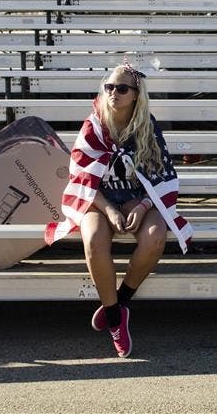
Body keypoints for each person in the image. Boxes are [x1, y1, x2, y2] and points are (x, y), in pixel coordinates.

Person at [45, 62, 193, 358]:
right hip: (97, 198)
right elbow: (82, 177)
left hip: (139, 196)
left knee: (155, 237)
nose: (113, 92)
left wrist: (144, 204)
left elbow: (162, 174)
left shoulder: (147, 127)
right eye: (109, 87)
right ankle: (115, 319)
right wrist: (110, 210)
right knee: (94, 241)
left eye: (122, 88)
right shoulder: (94, 125)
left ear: (136, 95)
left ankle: (121, 301)